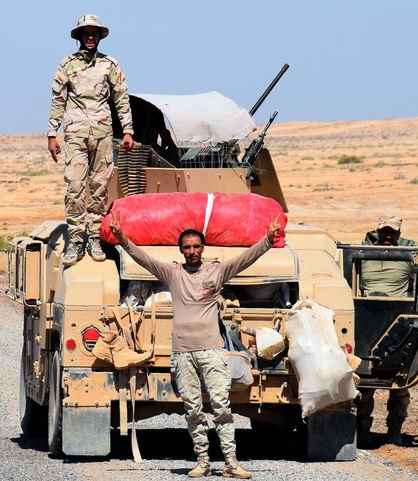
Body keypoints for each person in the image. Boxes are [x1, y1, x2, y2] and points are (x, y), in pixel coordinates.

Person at [109, 212, 281, 479]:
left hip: (212, 351)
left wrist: (268, 239)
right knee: (193, 409)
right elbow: (143, 258)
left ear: (203, 248)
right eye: (187, 247)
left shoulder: (216, 271)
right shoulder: (172, 273)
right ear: (181, 250)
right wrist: (121, 238)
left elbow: (245, 259)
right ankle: (202, 461)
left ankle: (231, 463)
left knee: (222, 406)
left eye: (196, 246)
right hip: (182, 353)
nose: (192, 251)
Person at [47, 14, 135, 266]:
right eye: (86, 33)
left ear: (99, 36)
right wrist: (52, 134)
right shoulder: (66, 65)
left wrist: (128, 130)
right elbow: (58, 100)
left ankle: (94, 237)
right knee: (75, 187)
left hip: (103, 135)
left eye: (94, 33)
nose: (90, 37)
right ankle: (75, 240)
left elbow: (121, 99)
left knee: (99, 187)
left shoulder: (110, 65)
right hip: (75, 134)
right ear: (79, 37)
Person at [355, 215, 417, 446]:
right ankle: (361, 432)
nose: (388, 236)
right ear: (377, 232)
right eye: (384, 232)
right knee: (363, 382)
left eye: (393, 232)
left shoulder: (408, 255)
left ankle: (394, 431)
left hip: (399, 321)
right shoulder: (363, 253)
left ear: (399, 234)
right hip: (368, 318)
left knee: (399, 383)